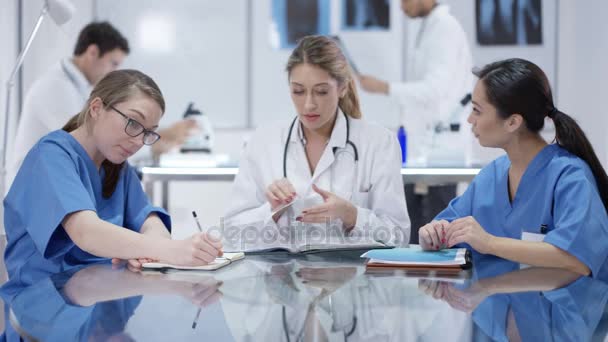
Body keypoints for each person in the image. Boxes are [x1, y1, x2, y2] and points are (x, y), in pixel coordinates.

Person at [3, 69, 223, 288]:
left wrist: (152, 248)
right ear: (96, 108)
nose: (139, 142)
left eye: (148, 132)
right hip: (45, 304)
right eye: (134, 123)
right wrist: (171, 250)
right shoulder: (51, 156)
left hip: (101, 298)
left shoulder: (116, 166)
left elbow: (148, 219)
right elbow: (86, 232)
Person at [418, 58, 608, 279]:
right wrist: (431, 235)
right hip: (501, 302)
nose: (470, 120)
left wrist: (489, 243)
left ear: (513, 122)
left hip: (563, 309)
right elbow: (447, 226)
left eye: (477, 111)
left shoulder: (570, 177)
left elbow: (577, 259)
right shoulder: (491, 177)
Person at [224, 35, 410, 244]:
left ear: (342, 88)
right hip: (282, 275)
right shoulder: (263, 141)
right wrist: (272, 211)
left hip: (354, 275)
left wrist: (352, 215)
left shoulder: (378, 143)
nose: (309, 105)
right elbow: (231, 233)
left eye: (321, 92)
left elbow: (399, 236)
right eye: (298, 91)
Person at [8, 21, 197, 189]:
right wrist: (161, 140)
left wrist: (162, 136)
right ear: (92, 52)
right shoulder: (55, 88)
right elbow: (91, 141)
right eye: (113, 63)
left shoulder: (80, 88)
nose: (115, 71)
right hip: (38, 190)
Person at [357, 0, 473, 244]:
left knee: (436, 234)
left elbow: (434, 90)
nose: (400, 6)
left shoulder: (445, 29)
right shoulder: (431, 27)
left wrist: (385, 88)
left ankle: (436, 282)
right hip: (424, 146)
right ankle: (416, 281)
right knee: (414, 230)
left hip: (440, 148)